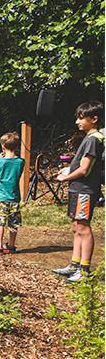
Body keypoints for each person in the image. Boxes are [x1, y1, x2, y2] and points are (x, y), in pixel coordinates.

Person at [52, 101, 104, 284]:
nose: (77, 122)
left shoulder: (94, 139)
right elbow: (80, 165)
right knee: (76, 227)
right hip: (78, 188)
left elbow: (85, 170)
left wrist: (66, 178)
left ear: (94, 119)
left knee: (83, 228)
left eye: (81, 118)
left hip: (85, 190)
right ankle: (74, 265)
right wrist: (68, 171)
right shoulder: (89, 138)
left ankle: (84, 271)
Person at [0, 132, 24, 254]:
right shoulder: (21, 162)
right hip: (14, 196)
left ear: (3, 146)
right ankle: (11, 245)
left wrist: (1, 159)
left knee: (0, 222)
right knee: (13, 223)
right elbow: (18, 173)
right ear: (17, 147)